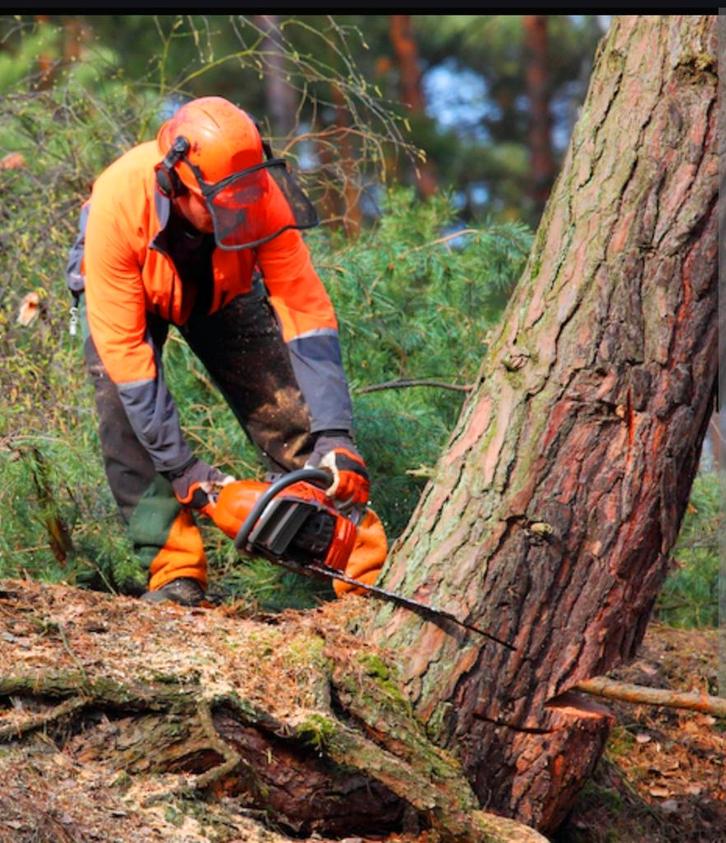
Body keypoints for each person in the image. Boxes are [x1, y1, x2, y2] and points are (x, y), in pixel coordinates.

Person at [65, 95, 387, 606]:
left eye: (245, 200)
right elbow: (128, 354)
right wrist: (189, 475)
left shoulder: (258, 195)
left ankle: (358, 561)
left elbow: (306, 314)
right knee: (124, 422)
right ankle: (175, 574)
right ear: (176, 182)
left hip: (223, 285)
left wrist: (335, 435)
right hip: (132, 287)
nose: (237, 211)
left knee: (283, 402)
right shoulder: (119, 204)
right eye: (221, 203)